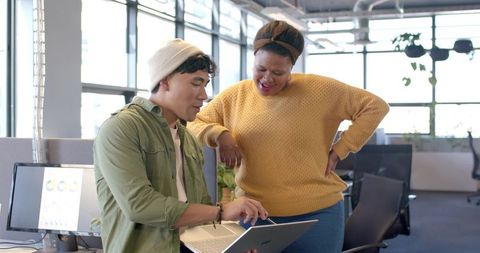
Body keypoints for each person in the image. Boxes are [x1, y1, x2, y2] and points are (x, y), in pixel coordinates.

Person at [187, 20, 390, 253]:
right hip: (256, 215)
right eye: (260, 69)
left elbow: (375, 106)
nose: (267, 79)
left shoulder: (319, 90)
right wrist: (219, 134)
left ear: (291, 67)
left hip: (318, 215)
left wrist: (341, 149)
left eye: (278, 72)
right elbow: (194, 122)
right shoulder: (236, 95)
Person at [94, 39, 268, 253]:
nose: (204, 95)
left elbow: (200, 211)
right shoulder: (122, 128)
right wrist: (221, 211)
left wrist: (229, 246)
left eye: (205, 85)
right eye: (196, 83)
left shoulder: (188, 140)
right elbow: (140, 205)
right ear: (165, 81)